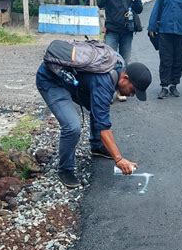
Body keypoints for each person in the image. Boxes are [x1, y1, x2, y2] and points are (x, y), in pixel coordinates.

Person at [36, 54, 152, 188]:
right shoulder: (104, 80)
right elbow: (103, 126)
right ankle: (65, 169)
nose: (131, 95)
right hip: (51, 80)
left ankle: (97, 146)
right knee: (73, 126)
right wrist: (119, 159)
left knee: (100, 105)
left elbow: (100, 110)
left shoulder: (118, 65)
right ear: (125, 78)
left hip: (72, 81)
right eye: (132, 90)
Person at [98, 0, 143, 100]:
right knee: (109, 62)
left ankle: (120, 90)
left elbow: (139, 9)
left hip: (127, 31)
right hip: (112, 30)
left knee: (124, 63)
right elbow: (99, 2)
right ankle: (108, 92)